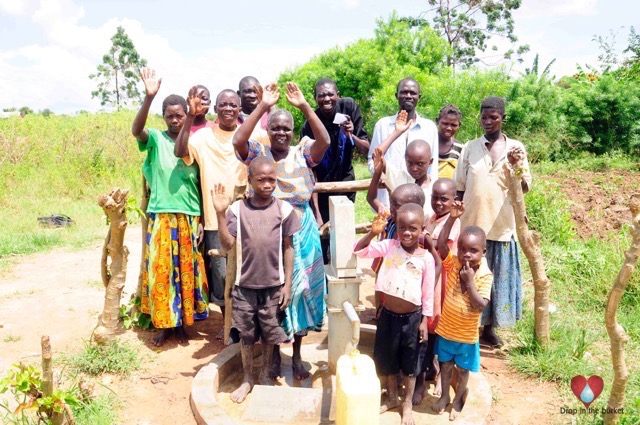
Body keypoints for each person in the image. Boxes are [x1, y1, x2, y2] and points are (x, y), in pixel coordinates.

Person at [233, 82, 330, 380]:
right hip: (271, 229)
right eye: (275, 128)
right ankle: (273, 355)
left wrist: (304, 106)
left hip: (303, 232)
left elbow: (324, 141)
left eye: (286, 128)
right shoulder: (259, 154)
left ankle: (298, 354)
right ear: (268, 129)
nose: (281, 133)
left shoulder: (302, 151)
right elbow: (238, 140)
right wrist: (263, 106)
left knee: (302, 293)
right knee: (274, 295)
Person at [174, 88, 268, 334]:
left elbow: (274, 145)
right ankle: (231, 326)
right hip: (216, 219)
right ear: (215, 109)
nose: (228, 109)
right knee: (223, 276)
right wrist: (188, 118)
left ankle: (249, 325)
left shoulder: (252, 133)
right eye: (223, 105)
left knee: (250, 274)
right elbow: (180, 151)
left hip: (250, 217)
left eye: (233, 105)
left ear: (239, 110)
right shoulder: (203, 137)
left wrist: (265, 105)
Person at [212, 156, 301, 404]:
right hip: (244, 287)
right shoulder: (237, 210)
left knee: (271, 334)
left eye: (272, 179)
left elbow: (289, 247)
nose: (267, 184)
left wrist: (288, 284)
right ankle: (247, 379)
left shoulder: (284, 210)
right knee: (247, 336)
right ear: (249, 180)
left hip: (273, 286)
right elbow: (228, 244)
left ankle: (263, 376)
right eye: (261, 179)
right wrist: (220, 214)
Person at [131, 68, 209, 346]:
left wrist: (200, 218)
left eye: (180, 115)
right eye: (170, 116)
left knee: (185, 272)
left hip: (189, 215)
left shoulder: (196, 143)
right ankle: (163, 324)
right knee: (161, 272)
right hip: (162, 214)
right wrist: (149, 97)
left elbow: (200, 183)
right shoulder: (154, 139)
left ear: (187, 117)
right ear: (163, 117)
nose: (175, 120)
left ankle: (182, 325)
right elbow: (136, 130)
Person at [454, 96, 532, 347]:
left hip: (501, 225)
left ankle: (489, 328)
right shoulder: (470, 147)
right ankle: (467, 326)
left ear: (503, 118)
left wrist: (516, 165)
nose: (487, 122)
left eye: (493, 117)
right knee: (469, 276)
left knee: (496, 278)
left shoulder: (515, 149)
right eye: (484, 117)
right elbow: (459, 186)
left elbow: (524, 187)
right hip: (473, 224)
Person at [354, 204, 435, 425]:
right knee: (388, 359)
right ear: (395, 228)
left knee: (409, 364)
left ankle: (406, 404)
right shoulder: (389, 246)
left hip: (412, 319)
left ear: (422, 229)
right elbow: (359, 251)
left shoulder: (426, 258)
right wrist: (372, 232)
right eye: (402, 228)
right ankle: (391, 397)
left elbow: (428, 293)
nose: (407, 233)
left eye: (413, 228)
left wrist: (424, 321)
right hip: (388, 316)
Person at [432, 200, 493, 421]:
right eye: (462, 249)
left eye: (473, 251)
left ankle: (458, 399)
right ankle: (445, 397)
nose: (466, 254)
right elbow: (440, 246)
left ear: (483, 252)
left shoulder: (485, 275)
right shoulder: (455, 263)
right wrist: (453, 218)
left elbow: (481, 305)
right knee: (446, 365)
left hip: (467, 337)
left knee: (463, 370)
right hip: (447, 331)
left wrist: (470, 282)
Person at [301, 78, 370, 261]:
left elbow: (366, 149)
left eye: (330, 94)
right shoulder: (310, 123)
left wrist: (351, 134)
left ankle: (343, 276)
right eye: (321, 95)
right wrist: (316, 211)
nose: (326, 99)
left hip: (346, 182)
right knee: (321, 235)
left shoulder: (349, 107)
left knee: (343, 232)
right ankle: (322, 282)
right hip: (321, 186)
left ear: (338, 95)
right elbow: (310, 170)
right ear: (315, 98)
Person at [413, 178, 461, 404]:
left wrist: (451, 219)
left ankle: (438, 377)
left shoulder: (453, 223)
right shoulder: (432, 217)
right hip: (429, 279)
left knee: (436, 329)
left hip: (441, 282)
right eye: (435, 198)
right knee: (431, 329)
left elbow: (442, 250)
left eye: (444, 199)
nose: (439, 202)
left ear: (454, 201)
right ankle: (430, 373)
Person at [368, 78, 439, 209]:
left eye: (412, 93)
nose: (408, 96)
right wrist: (381, 176)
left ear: (419, 97)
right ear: (396, 96)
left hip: (421, 199)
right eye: (404, 92)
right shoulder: (383, 125)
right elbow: (374, 160)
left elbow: (433, 169)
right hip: (389, 197)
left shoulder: (429, 127)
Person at [436, 105, 464, 179]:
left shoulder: (461, 148)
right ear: (437, 121)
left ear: (459, 125)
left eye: (453, 125)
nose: (449, 128)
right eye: (445, 123)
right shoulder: (428, 144)